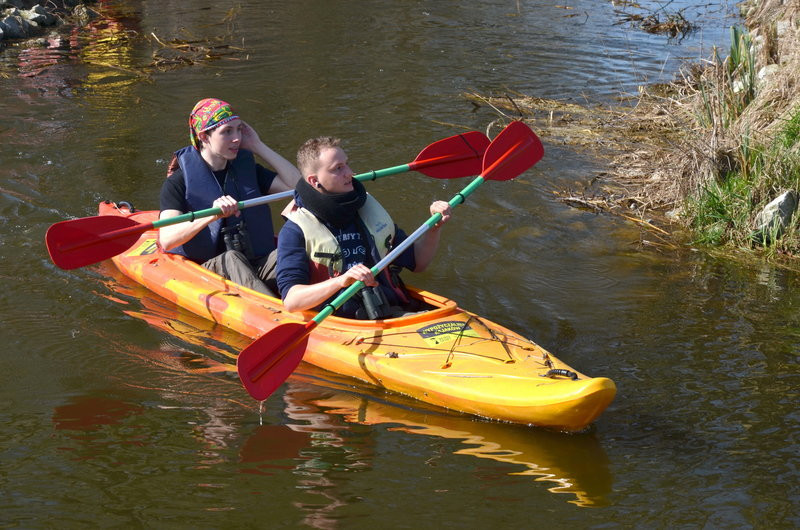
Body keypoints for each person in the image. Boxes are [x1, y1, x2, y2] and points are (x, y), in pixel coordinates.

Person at [276, 136, 451, 319]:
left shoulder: (366, 209)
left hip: (388, 309)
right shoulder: (294, 230)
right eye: (338, 168)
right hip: (339, 319)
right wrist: (341, 281)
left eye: (347, 164)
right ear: (314, 181)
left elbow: (418, 263)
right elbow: (291, 301)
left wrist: (434, 227)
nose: (349, 173)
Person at [159, 98, 301, 296]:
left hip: (255, 261)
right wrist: (211, 215)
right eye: (227, 131)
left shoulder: (247, 169)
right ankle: (277, 315)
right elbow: (166, 240)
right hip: (208, 269)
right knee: (232, 258)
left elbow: (297, 186)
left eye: (239, 129)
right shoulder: (177, 182)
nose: (237, 138)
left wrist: (258, 145)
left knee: (288, 252)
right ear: (204, 137)